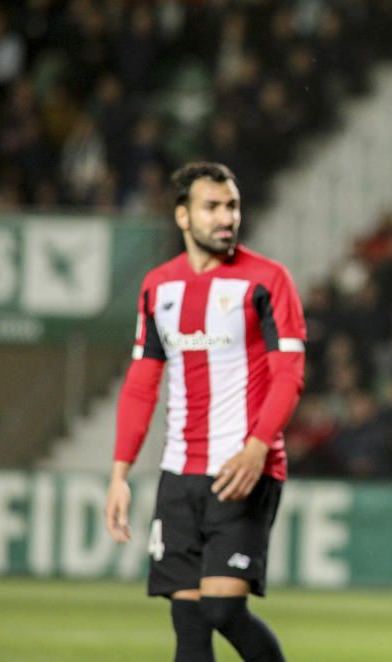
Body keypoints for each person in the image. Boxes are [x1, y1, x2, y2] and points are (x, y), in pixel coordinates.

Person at [104, 162, 306, 662]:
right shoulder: (157, 287)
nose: (226, 217)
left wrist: (258, 447)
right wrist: (119, 474)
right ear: (182, 216)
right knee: (189, 628)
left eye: (232, 206)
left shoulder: (267, 280)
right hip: (179, 475)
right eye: (212, 207)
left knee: (221, 609)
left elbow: (289, 375)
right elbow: (141, 384)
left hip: (243, 470)